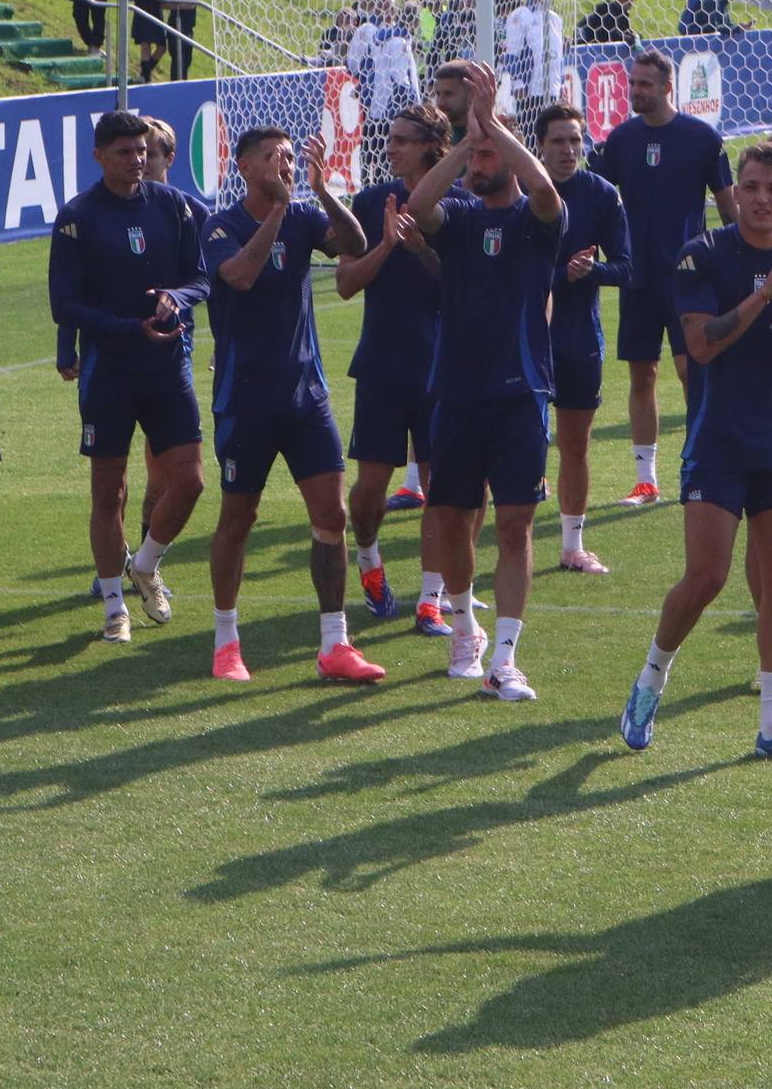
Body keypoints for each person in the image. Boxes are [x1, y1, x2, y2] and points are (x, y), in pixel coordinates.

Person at [616, 140, 772, 760]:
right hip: (717, 441)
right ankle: (650, 680)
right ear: (735, 192)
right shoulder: (703, 255)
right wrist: (767, 292)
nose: (763, 198)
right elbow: (703, 345)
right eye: (753, 186)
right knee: (707, 577)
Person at [198, 129, 387, 683]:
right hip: (245, 402)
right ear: (244, 167)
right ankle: (226, 640)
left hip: (307, 398)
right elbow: (241, 275)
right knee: (239, 518)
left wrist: (322, 191)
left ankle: (335, 643)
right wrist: (279, 213)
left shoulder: (305, 216)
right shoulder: (220, 227)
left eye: (288, 155)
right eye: (272, 157)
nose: (283, 162)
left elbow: (352, 244)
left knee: (332, 516)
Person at [402, 66, 566, 700]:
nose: (479, 161)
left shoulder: (536, 220)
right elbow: (419, 207)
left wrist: (495, 127)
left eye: (490, 151)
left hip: (522, 392)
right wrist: (469, 140)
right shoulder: (461, 219)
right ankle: (465, 625)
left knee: (516, 524)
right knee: (450, 516)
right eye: (475, 153)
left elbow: (547, 189)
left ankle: (505, 657)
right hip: (458, 391)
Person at [49, 112, 209, 644]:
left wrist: (177, 299)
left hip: (167, 368)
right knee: (108, 492)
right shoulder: (78, 217)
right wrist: (128, 329)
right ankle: (114, 606)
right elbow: (64, 303)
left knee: (189, 482)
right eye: (124, 151)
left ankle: (146, 562)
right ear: (99, 156)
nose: (137, 159)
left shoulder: (174, 207)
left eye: (142, 150)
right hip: (109, 372)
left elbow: (201, 277)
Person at [334, 103, 463, 635]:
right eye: (389, 138)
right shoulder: (369, 202)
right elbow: (345, 283)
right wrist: (388, 246)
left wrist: (422, 249)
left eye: (403, 140)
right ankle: (367, 556)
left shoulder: (461, 206)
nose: (391, 147)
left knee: (441, 488)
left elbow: (463, 287)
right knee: (368, 492)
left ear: (434, 146)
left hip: (444, 368)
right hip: (383, 364)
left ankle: (430, 600)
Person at [593, 49, 737, 506]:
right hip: (636, 277)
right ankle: (646, 479)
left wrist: (733, 263)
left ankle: (702, 462)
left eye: (645, 85)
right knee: (642, 375)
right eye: (633, 83)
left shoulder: (701, 138)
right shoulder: (621, 139)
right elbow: (593, 197)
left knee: (691, 370)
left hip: (686, 276)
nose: (636, 91)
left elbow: (729, 207)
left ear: (667, 87)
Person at [535, 104, 632, 576]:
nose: (568, 150)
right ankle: (510, 544)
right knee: (520, 446)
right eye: (558, 141)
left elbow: (627, 266)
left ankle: (572, 546)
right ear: (540, 146)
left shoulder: (601, 194)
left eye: (575, 140)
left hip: (578, 340)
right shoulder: (522, 190)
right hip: (525, 338)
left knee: (575, 444)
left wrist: (592, 271)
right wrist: (560, 274)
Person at [167, 0, 218, 81]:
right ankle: (176, 83)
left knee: (187, 58)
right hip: (176, 25)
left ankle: (184, 81)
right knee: (178, 58)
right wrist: (183, 6)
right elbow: (165, 2)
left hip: (189, 26)